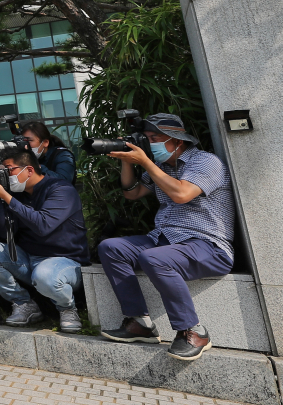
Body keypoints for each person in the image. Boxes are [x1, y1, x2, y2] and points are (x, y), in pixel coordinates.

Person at [96, 114, 234, 361]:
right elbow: (133, 193)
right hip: (165, 239)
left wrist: (146, 162)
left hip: (208, 244)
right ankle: (140, 323)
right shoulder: (162, 167)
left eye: (154, 139)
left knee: (155, 258)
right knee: (111, 247)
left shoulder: (205, 162)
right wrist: (126, 160)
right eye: (146, 139)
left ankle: (194, 331)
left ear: (177, 141)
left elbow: (182, 194)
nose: (149, 145)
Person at [0, 149, 89, 332]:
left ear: (29, 170)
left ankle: (67, 308)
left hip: (65, 261)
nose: (7, 175)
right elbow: (5, 233)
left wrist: (6, 197)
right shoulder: (18, 193)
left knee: (44, 275)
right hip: (29, 258)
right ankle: (24, 304)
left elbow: (43, 226)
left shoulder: (61, 189)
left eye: (9, 170)